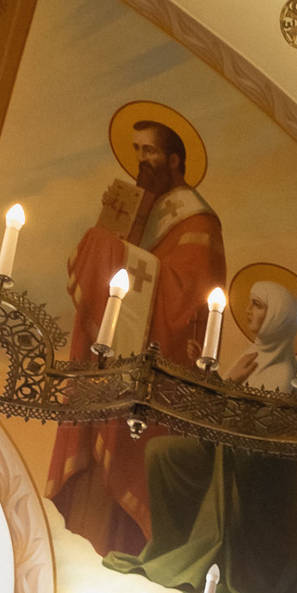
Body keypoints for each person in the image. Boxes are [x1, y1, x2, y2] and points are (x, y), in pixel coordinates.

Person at [116, 275, 297, 593]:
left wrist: (226, 387)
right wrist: (217, 383)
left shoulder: (285, 375)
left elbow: (252, 435)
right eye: (251, 303)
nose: (248, 311)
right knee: (161, 453)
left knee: (168, 454)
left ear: (277, 317)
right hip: (224, 453)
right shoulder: (253, 357)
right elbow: (222, 420)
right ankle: (170, 546)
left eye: (259, 305)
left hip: (251, 474)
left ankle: (191, 556)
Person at [47, 112, 227, 559]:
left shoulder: (197, 221)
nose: (141, 160)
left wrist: (110, 251)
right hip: (110, 367)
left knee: (128, 467)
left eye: (149, 151)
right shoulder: (141, 206)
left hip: (155, 376)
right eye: (136, 151)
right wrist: (111, 225)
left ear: (174, 159)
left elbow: (188, 302)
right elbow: (112, 277)